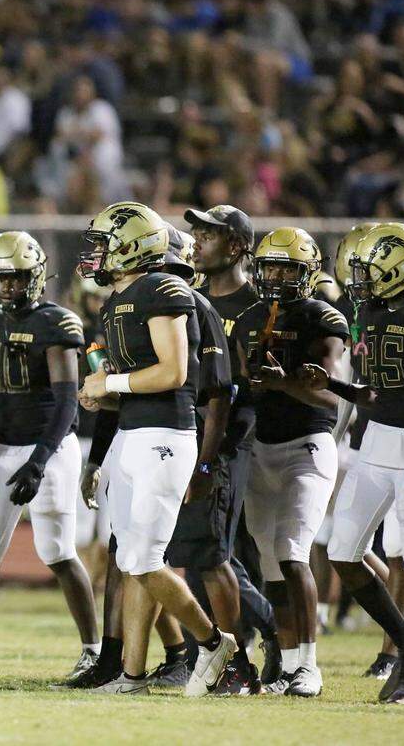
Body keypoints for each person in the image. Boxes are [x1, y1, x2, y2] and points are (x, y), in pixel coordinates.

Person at [76, 201, 236, 696]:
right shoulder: (115, 300)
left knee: (144, 559)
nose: (96, 254)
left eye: (105, 243)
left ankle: (212, 642)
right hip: (132, 434)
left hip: (165, 434)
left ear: (132, 246)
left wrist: (110, 383)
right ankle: (132, 674)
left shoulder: (164, 288)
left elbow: (173, 372)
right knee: (131, 558)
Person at [312, 223, 404, 705]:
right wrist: (330, 385)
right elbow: (371, 392)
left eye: (369, 268)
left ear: (399, 267)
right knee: (342, 552)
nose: (360, 278)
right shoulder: (370, 312)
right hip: (375, 442)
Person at [0, 231, 99, 683]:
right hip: (0, 447)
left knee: (56, 550)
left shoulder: (56, 321)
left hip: (50, 448)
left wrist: (39, 460)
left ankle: (92, 650)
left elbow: (66, 402)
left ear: (35, 278)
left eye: (16, 279)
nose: (6, 289)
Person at [236, 227, 349, 697]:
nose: (278, 276)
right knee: (268, 563)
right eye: (272, 267)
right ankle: (283, 662)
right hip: (260, 446)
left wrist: (282, 383)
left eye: (289, 267)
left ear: (308, 273)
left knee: (293, 552)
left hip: (308, 444)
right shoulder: (247, 318)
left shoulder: (323, 317)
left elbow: (330, 390)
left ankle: (309, 665)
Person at [186, 204, 280, 688]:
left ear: (238, 246)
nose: (198, 240)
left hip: (227, 443)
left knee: (213, 552)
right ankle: (209, 654)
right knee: (205, 552)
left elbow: (249, 390)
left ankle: (255, 641)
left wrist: (211, 457)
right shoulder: (187, 296)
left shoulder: (257, 308)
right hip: (186, 435)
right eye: (196, 232)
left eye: (210, 234)